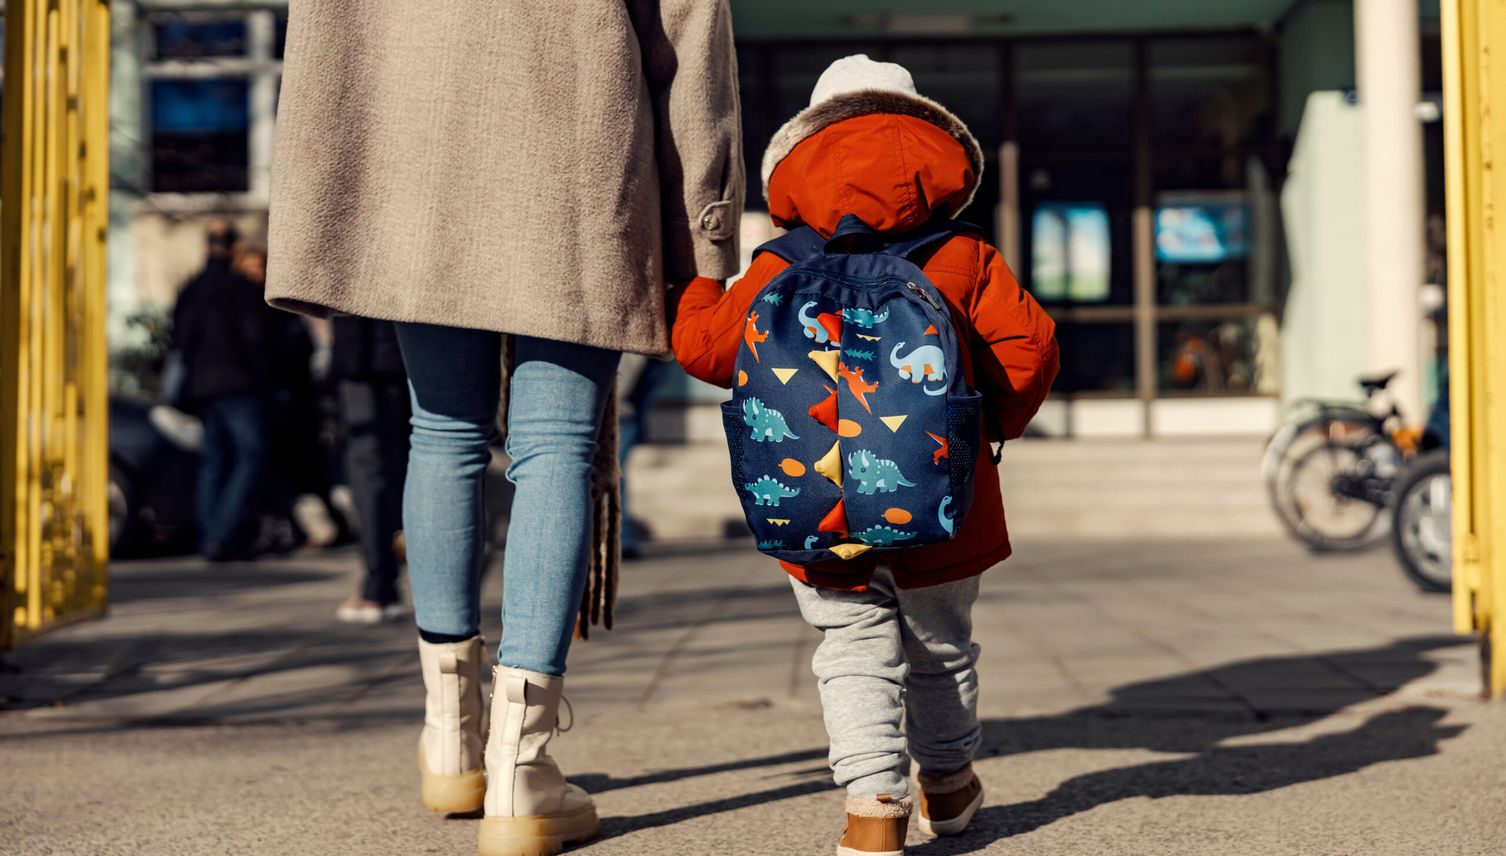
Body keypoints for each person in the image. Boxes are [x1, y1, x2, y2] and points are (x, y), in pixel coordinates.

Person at [263, 4, 742, 855]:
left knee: (440, 432)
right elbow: (690, 29)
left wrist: (328, 182)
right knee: (555, 445)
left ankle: (452, 742)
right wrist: (705, 229)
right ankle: (521, 769)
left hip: (414, 156)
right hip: (575, 147)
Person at [671, 55, 1059, 855]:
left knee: (849, 646)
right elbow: (1028, 356)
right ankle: (948, 789)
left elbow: (705, 351)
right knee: (942, 643)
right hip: (944, 495)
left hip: (813, 497)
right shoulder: (964, 257)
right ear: (935, 152)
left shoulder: (780, 264)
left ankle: (872, 809)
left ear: (800, 160)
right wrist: (988, 434)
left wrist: (702, 289)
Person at [170, 222, 283, 561]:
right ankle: (223, 533)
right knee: (251, 454)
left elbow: (179, 340)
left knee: (214, 461)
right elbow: (259, 337)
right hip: (240, 384)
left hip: (203, 386)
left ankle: (212, 537)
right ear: (233, 248)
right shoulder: (239, 288)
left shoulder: (191, 287)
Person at [329, 316, 412, 623]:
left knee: (368, 465)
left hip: (364, 353)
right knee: (422, 454)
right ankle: (447, 601)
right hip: (416, 344)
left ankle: (379, 586)